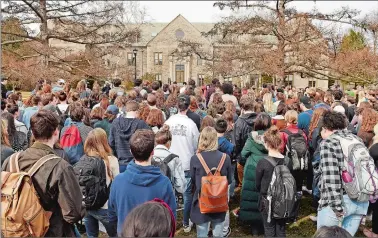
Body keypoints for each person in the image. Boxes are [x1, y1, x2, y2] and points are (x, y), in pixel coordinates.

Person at [2, 109, 85, 236]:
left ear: (33, 134)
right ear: (56, 132)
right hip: (51, 231)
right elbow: (73, 213)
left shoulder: (11, 161)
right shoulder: (60, 167)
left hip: (18, 229)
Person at [108, 129, 177, 236]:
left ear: (131, 151)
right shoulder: (164, 183)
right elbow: (172, 218)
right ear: (152, 152)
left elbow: (112, 215)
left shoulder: (118, 181)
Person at [317, 111, 369, 236]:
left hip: (339, 200)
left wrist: (337, 208)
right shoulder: (356, 139)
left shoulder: (329, 144)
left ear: (325, 128)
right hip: (361, 198)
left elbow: (331, 178)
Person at [164, 94, 199, 233]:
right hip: (183, 162)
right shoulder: (191, 124)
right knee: (187, 195)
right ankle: (184, 222)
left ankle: (180, 222)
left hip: (173, 162)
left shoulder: (170, 121)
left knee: (172, 193)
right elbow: (197, 144)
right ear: (189, 106)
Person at [190, 127, 232, 237]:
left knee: (202, 234)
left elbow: (193, 180)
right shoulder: (225, 158)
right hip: (219, 201)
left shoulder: (195, 159)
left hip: (202, 202)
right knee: (218, 234)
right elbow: (230, 180)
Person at [79, 128, 119, 238]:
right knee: (115, 235)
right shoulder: (111, 160)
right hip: (105, 207)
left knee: (91, 235)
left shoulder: (84, 159)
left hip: (87, 205)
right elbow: (117, 184)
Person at [239, 113, 271, 235]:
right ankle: (264, 224)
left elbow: (243, 154)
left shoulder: (252, 138)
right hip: (268, 168)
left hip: (253, 168)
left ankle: (254, 227)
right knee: (266, 195)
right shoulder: (272, 137)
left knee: (252, 196)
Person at [255, 126, 287, 237]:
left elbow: (258, 184)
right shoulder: (288, 161)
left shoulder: (262, 162)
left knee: (269, 228)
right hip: (284, 200)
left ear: (267, 144)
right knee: (281, 228)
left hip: (267, 201)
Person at [109, 100, 150, 172]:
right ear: (137, 111)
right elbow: (148, 143)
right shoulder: (141, 124)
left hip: (120, 163)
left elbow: (111, 142)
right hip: (137, 164)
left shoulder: (115, 122)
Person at [280, 110, 308, 192]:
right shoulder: (302, 132)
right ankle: (298, 199)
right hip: (301, 162)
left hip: (288, 161)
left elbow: (281, 149)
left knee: (288, 183)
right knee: (298, 183)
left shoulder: (283, 133)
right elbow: (305, 146)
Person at [153, 125, 186, 194]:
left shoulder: (149, 156)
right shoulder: (174, 159)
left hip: (150, 195)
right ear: (169, 142)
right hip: (167, 196)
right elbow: (181, 187)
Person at [234, 95, 257, 188]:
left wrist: (237, 156)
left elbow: (236, 142)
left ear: (242, 107)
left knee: (244, 186)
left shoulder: (239, 122)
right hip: (257, 156)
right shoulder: (260, 119)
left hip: (243, 157)